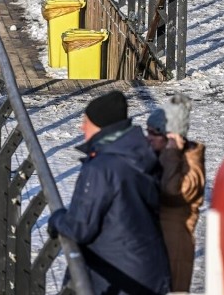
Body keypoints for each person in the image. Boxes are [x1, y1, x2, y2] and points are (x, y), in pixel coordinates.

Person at [48, 91, 171, 295]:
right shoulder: (139, 154)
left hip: (119, 277)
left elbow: (80, 227)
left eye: (85, 121)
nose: (81, 127)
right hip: (150, 272)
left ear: (99, 126)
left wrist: (57, 219)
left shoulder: (101, 168)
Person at [145, 95, 206, 293]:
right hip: (156, 245)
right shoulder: (159, 155)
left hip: (175, 249)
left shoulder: (192, 166)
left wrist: (171, 153)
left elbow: (172, 192)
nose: (148, 138)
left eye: (153, 133)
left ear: (171, 137)